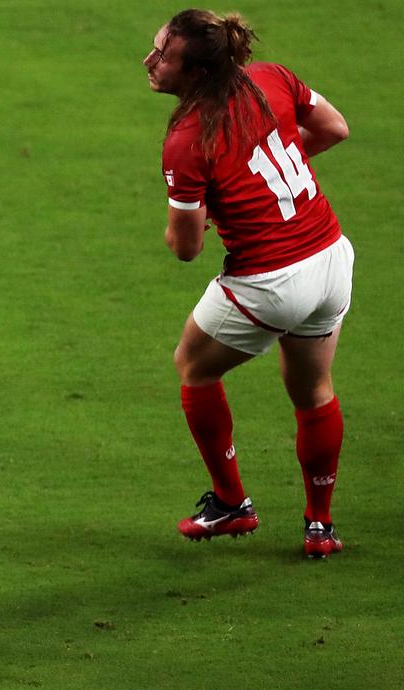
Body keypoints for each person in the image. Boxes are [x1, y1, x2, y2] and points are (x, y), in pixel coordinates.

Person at [144, 10, 353, 557]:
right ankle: (320, 528)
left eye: (163, 55)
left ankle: (232, 504)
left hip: (271, 279)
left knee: (192, 364)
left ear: (194, 73)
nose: (150, 60)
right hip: (331, 258)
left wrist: (212, 207)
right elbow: (334, 128)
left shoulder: (188, 139)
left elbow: (186, 248)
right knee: (312, 390)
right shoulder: (272, 77)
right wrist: (261, 181)